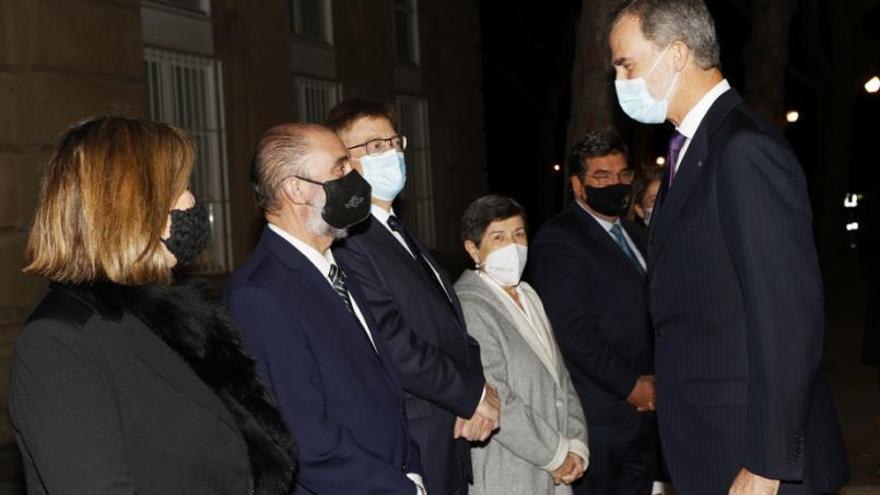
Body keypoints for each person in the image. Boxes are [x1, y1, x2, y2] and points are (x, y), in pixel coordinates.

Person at [608, 1, 849, 493]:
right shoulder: (691, 149)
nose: (619, 80)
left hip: (748, 452)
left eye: (626, 63)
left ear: (675, 54)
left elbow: (789, 318)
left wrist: (768, 461)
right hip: (706, 439)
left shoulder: (742, 149)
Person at [9, 115, 297, 495]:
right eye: (182, 187)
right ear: (136, 206)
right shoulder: (59, 342)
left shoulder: (172, 313)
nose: (193, 202)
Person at [226, 123, 426, 494]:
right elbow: (305, 439)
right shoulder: (260, 294)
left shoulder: (337, 267)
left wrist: (411, 471)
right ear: (296, 189)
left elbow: (383, 386)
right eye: (340, 169)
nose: (355, 179)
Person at [328, 99, 499, 495]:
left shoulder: (396, 230)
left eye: (394, 142)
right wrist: (469, 395)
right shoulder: (349, 241)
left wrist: (477, 393)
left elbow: (450, 326)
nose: (390, 154)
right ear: (342, 163)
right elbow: (393, 341)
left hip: (449, 431)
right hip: (416, 439)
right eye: (373, 147)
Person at [528, 130, 658, 495]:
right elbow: (574, 334)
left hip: (647, 412)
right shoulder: (559, 240)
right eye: (602, 176)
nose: (615, 184)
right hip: (600, 417)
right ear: (578, 184)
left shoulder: (636, 235)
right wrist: (630, 387)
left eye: (623, 175)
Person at [454, 194, 589, 495]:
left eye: (518, 234)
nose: (512, 246)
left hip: (553, 467)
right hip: (509, 471)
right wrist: (556, 454)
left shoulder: (528, 294)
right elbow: (496, 394)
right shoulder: (470, 304)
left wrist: (577, 442)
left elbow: (560, 377)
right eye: (498, 237)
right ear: (473, 249)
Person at [626, 165, 663, 233]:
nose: (664, 204)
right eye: (654, 200)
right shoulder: (639, 242)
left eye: (667, 197)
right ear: (640, 211)